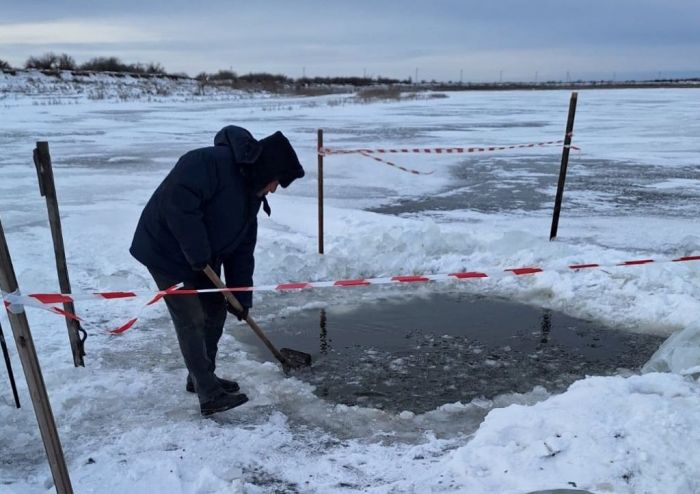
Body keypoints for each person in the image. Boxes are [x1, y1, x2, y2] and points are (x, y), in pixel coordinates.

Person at [130, 125, 305, 416]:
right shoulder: (206, 163)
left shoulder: (250, 201)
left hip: (200, 257)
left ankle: (201, 376)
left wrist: (240, 296)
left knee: (215, 310)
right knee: (191, 317)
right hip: (165, 251)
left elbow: (241, 254)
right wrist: (197, 252)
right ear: (266, 170)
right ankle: (208, 394)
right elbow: (179, 203)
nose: (274, 189)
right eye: (275, 181)